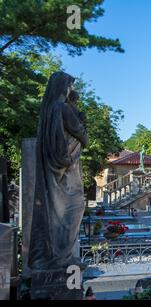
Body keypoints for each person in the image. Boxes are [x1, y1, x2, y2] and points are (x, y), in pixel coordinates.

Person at [29, 71, 88, 270]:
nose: (71, 89)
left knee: (55, 212)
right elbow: (81, 134)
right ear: (64, 87)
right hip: (65, 170)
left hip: (53, 171)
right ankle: (61, 257)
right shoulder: (62, 108)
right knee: (74, 208)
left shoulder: (48, 111)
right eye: (69, 85)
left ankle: (55, 257)